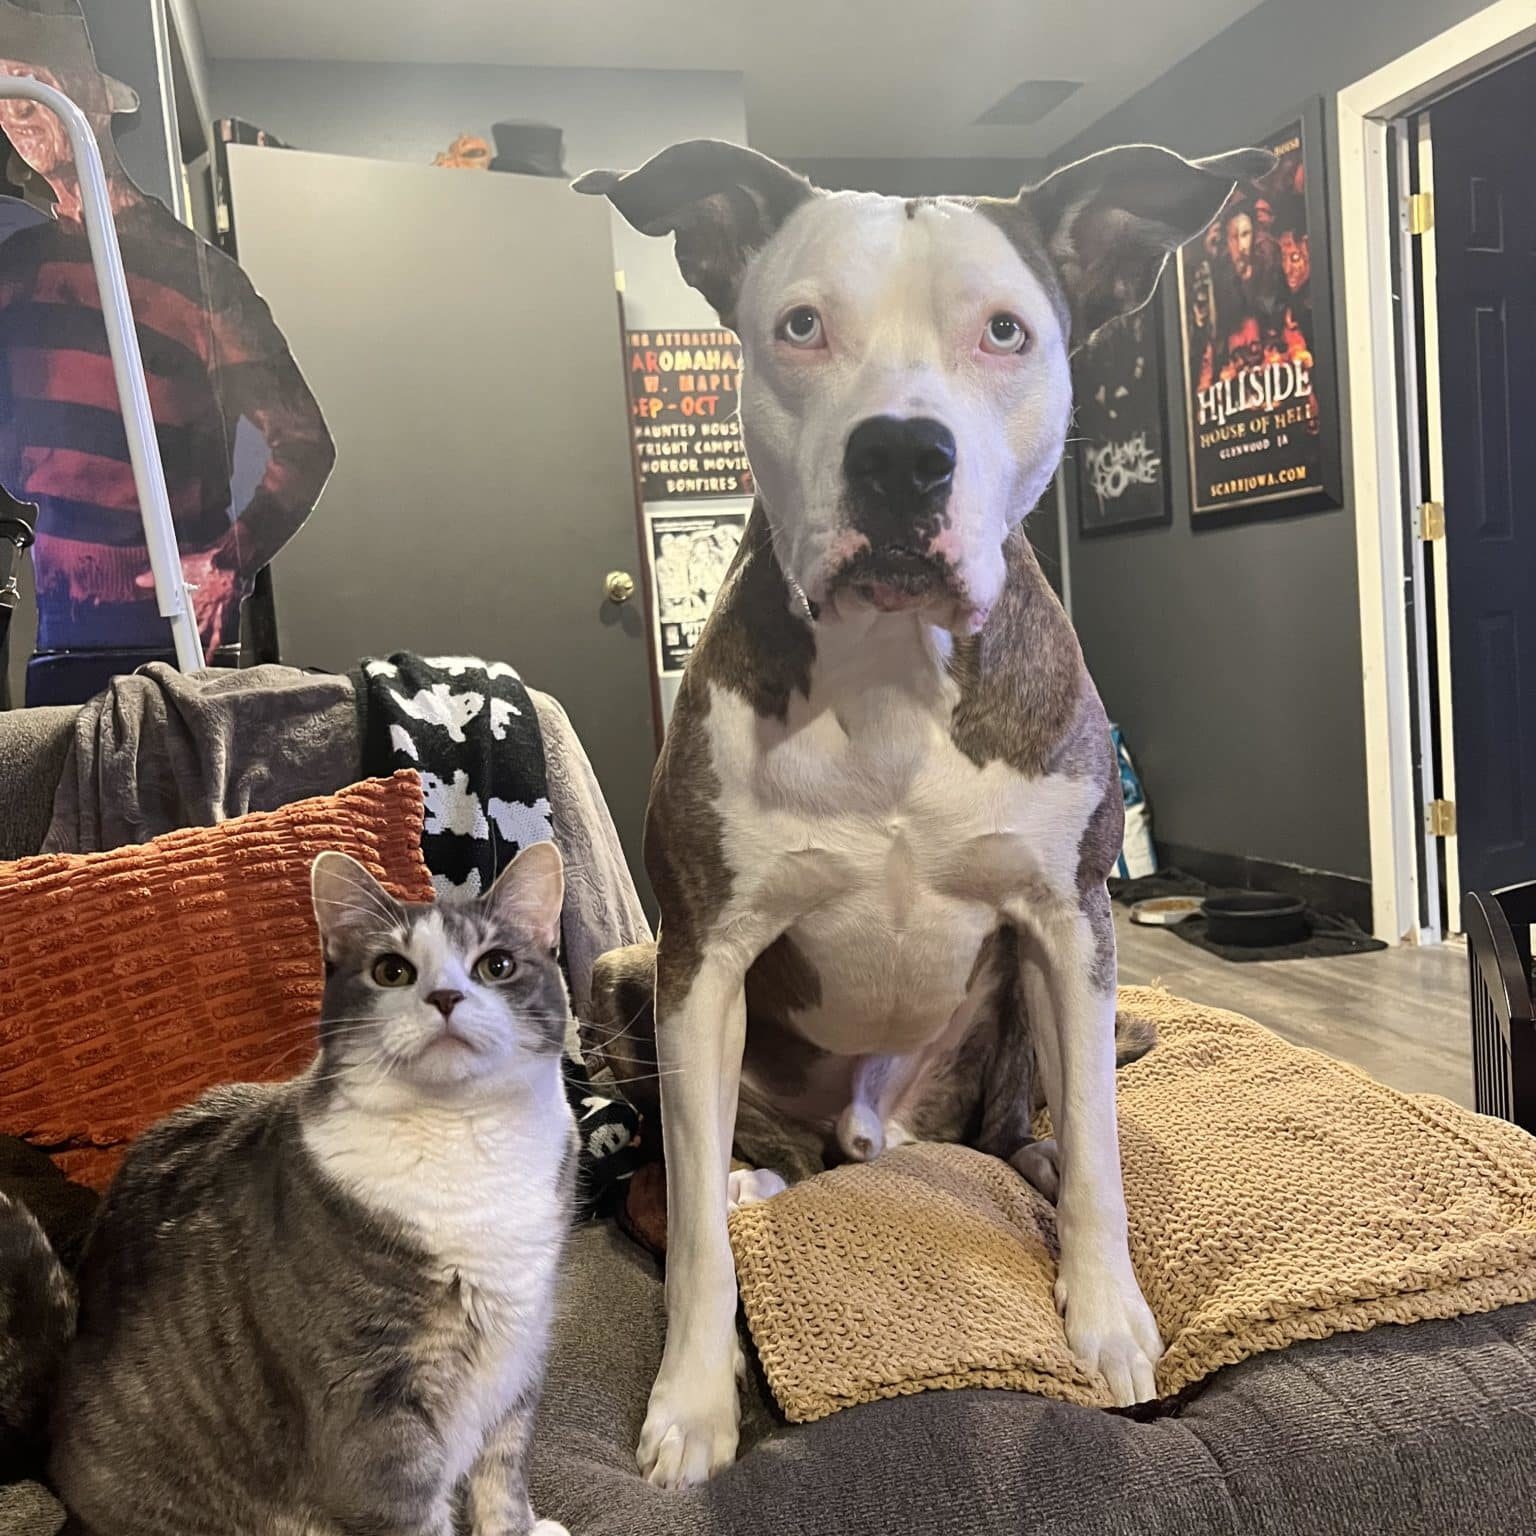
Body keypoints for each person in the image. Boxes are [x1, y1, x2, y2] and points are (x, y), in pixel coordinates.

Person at [0, 6, 332, 703]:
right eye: (4, 95)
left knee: (175, 800)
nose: (18, 112)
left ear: (90, 96)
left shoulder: (197, 275)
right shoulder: (16, 271)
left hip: (173, 634)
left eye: (31, 84)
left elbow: (303, 442)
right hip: (46, 618)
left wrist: (226, 565)